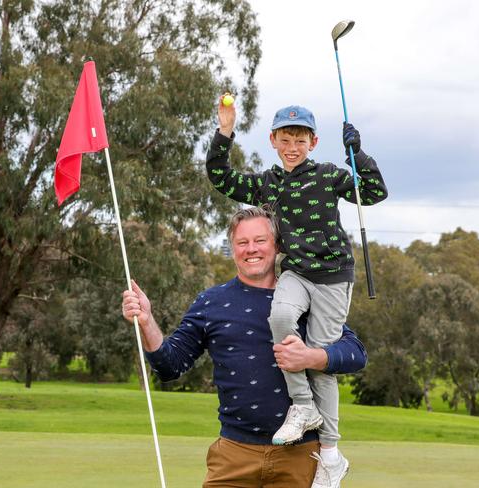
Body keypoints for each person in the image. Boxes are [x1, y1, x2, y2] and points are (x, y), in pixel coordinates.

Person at [205, 100, 388, 486]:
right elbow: (220, 177)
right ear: (272, 140)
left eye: (300, 140)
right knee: (281, 317)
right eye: (285, 138)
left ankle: (332, 453)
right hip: (296, 274)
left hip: (335, 277)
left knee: (319, 358)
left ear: (313, 142)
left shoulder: (327, 175)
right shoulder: (268, 184)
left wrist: (359, 153)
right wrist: (224, 133)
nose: (292, 146)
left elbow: (373, 192)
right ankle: (302, 409)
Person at [122, 207, 367, 487]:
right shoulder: (210, 302)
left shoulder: (306, 299)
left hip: (300, 455)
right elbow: (170, 364)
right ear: (233, 248)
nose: (252, 249)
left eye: (260, 240)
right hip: (234, 454)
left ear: (276, 245)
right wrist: (146, 320)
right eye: (242, 242)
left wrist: (310, 357)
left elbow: (355, 354)